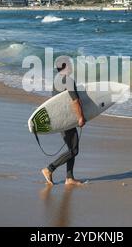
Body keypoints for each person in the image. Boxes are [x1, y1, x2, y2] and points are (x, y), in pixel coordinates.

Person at [42, 57, 86, 186]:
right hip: (66, 119)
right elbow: (75, 101)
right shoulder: (69, 81)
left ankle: (69, 177)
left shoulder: (57, 81)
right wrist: (81, 117)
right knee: (74, 150)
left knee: (71, 147)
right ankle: (49, 169)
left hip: (59, 118)